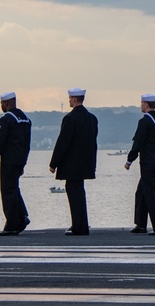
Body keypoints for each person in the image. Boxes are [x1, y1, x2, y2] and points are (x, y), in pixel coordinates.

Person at [50, 88, 98, 236]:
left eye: (70, 98)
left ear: (75, 99)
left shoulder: (70, 118)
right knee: (79, 193)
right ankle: (81, 224)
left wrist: (54, 163)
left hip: (72, 164)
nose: (69, 101)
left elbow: (63, 142)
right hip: (86, 162)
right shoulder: (92, 118)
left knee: (74, 194)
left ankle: (79, 226)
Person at [125, 93, 155, 235]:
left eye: (141, 103)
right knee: (142, 192)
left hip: (148, 162)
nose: (140, 105)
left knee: (152, 193)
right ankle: (140, 223)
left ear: (146, 104)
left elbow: (138, 141)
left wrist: (129, 160)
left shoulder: (145, 121)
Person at [0, 91, 32, 236]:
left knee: (7, 191)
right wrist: (24, 162)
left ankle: (11, 224)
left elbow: (0, 141)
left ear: (6, 103)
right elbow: (27, 143)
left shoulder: (7, 119)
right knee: (14, 189)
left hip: (9, 161)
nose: (1, 106)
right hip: (20, 159)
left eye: (2, 104)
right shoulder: (25, 119)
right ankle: (22, 216)